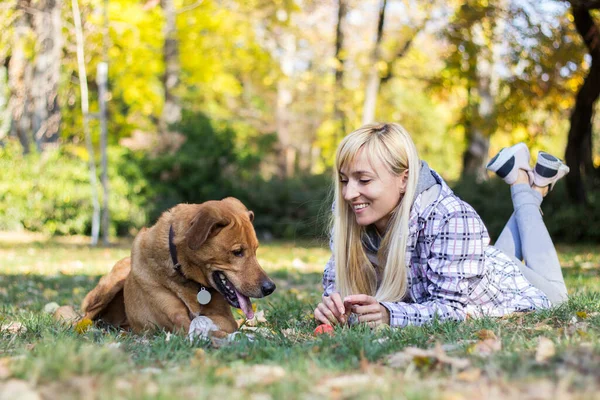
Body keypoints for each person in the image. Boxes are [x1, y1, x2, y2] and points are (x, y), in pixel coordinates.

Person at [314, 123, 569, 328]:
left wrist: (389, 315)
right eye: (345, 180)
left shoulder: (450, 216)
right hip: (467, 263)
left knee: (558, 298)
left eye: (364, 180)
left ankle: (523, 184)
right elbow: (337, 282)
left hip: (503, 288)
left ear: (404, 180)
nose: (348, 194)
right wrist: (332, 305)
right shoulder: (350, 215)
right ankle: (532, 187)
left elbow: (450, 310)